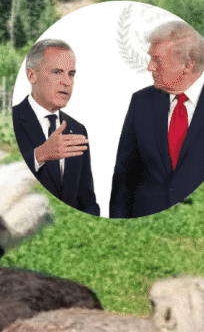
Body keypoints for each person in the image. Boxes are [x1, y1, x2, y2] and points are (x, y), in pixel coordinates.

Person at [109, 21, 204, 218]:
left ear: (187, 65)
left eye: (157, 60)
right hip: (146, 222)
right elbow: (124, 176)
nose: (150, 67)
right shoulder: (141, 102)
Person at [13, 39, 100, 216]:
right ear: (32, 76)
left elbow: (86, 198)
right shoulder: (12, 120)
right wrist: (41, 155)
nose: (66, 82)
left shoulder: (77, 129)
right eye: (57, 72)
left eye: (71, 74)